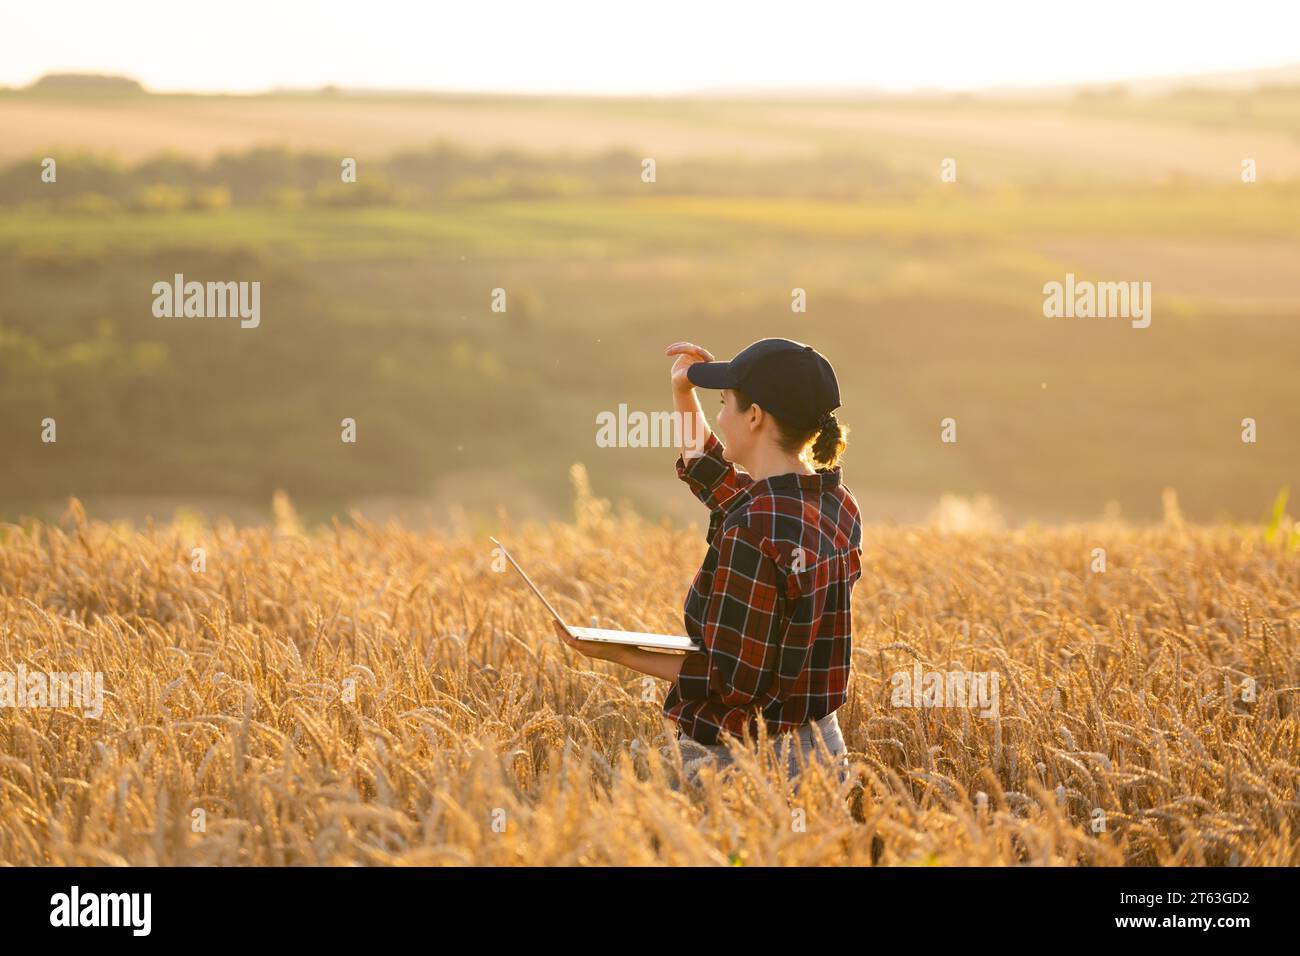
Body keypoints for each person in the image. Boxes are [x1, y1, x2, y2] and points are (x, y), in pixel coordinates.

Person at [556, 337, 863, 793]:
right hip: (822, 752)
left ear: (754, 416)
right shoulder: (837, 503)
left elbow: (729, 681)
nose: (719, 417)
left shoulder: (752, 529)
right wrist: (683, 394)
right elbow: (713, 475)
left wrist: (613, 651)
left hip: (742, 764)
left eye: (723, 404)